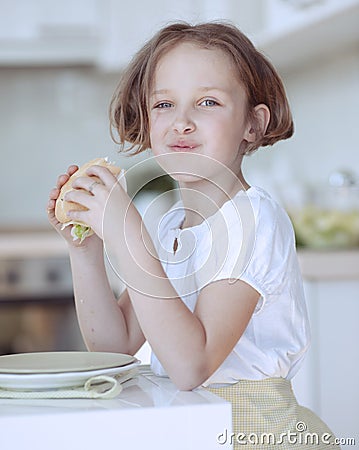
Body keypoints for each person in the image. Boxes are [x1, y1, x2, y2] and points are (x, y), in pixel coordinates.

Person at [47, 22, 339, 449]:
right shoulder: (168, 225)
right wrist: (87, 249)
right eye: (163, 104)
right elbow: (116, 347)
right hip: (191, 427)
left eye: (207, 102)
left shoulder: (252, 220)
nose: (181, 122)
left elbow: (191, 364)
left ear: (253, 125)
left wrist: (125, 231)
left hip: (253, 433)